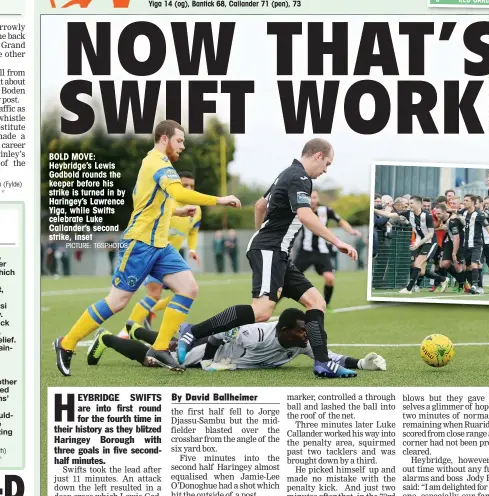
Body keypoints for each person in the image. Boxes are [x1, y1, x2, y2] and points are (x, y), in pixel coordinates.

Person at [54, 119, 241, 376]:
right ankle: (66, 343)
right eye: (179, 140)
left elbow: (144, 198)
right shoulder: (157, 162)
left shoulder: (155, 164)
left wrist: (175, 211)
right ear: (164, 139)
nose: (183, 146)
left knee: (188, 288)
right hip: (140, 244)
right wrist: (220, 199)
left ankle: (160, 347)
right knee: (117, 301)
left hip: (160, 246)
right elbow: (181, 193)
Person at [177, 138, 359, 378]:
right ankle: (193, 330)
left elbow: (259, 205)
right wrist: (337, 241)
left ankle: (323, 363)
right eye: (327, 163)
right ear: (317, 155)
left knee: (316, 302)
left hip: (276, 251)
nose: (326, 170)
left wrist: (261, 234)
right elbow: (305, 215)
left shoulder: (287, 173)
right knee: (262, 310)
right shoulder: (300, 177)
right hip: (270, 249)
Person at [86, 309, 387, 373]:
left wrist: (360, 362)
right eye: (301, 331)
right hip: (211, 349)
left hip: (219, 348)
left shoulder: (300, 343)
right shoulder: (255, 333)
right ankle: (109, 339)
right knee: (153, 359)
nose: (306, 336)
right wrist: (206, 363)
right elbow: (216, 336)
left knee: (174, 339)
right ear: (282, 330)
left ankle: (135, 328)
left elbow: (329, 356)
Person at [120, 171, 202, 334]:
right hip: (153, 254)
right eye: (184, 185)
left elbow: (193, 230)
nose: (188, 188)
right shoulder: (165, 202)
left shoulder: (196, 209)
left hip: (172, 260)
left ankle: (149, 311)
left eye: (191, 186)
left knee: (187, 291)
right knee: (153, 294)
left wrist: (192, 249)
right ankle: (125, 332)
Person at [293, 190, 361, 309]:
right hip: (305, 251)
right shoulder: (301, 211)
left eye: (315, 197)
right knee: (288, 278)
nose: (312, 200)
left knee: (329, 278)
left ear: (318, 199)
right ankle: (272, 303)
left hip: (322, 251)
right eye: (310, 197)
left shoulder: (326, 210)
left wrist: (351, 231)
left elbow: (341, 221)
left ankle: (326, 303)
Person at [375, 196, 445, 294]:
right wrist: (373, 210)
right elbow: (389, 214)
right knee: (421, 271)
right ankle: (443, 279)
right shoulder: (408, 213)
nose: (409, 205)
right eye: (408, 203)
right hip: (419, 242)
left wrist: (418, 244)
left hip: (430, 243)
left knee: (417, 264)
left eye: (411, 203)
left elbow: (430, 234)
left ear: (419, 204)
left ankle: (408, 289)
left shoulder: (427, 215)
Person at [460, 194, 489, 295]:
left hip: (488, 242)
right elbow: (457, 212)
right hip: (476, 243)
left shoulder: (484, 212)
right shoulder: (466, 212)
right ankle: (478, 287)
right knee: (477, 265)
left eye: (479, 203)